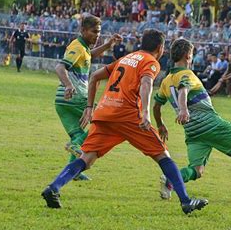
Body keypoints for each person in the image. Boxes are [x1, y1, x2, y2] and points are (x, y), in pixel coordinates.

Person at [42, 30, 208, 215]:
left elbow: (95, 76)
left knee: (86, 158)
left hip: (105, 112)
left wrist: (90, 107)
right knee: (163, 155)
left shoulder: (127, 57)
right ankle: (185, 201)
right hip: (128, 115)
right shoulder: (150, 61)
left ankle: (54, 188)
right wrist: (145, 113)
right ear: (160, 48)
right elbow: (146, 83)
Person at [153, 38, 231, 203]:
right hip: (211, 125)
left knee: (196, 170)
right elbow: (183, 89)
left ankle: (170, 181)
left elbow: (157, 106)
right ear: (186, 55)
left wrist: (160, 125)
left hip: (193, 132)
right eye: (191, 53)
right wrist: (183, 109)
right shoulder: (186, 74)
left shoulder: (166, 81)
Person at [54, 15, 122, 181]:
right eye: (94, 32)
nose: (97, 35)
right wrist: (69, 85)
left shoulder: (83, 48)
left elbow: (89, 55)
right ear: (83, 30)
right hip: (76, 96)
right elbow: (60, 67)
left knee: (79, 135)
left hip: (62, 101)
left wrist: (107, 45)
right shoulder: (77, 47)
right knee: (104, 121)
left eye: (99, 32)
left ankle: (74, 172)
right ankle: (75, 145)